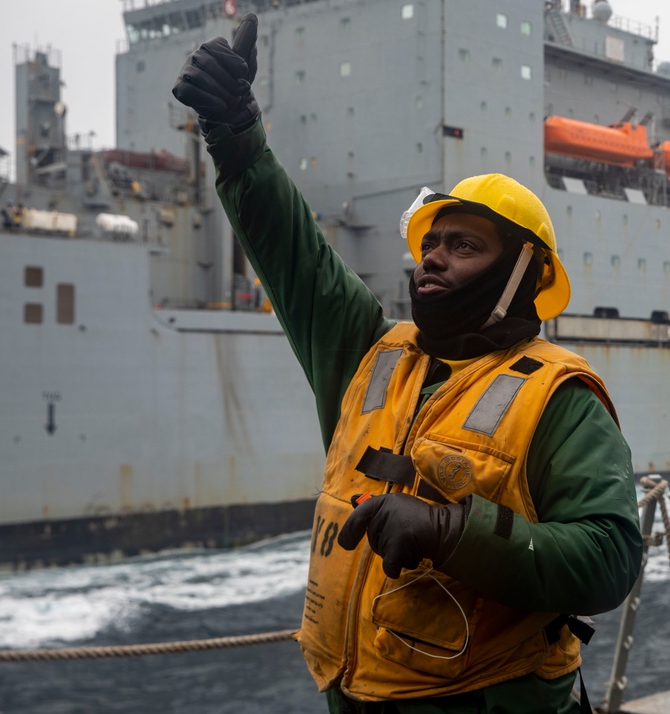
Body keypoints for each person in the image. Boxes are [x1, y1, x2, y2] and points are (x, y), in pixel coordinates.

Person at [173, 14, 642, 713]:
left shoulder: (557, 396)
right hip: (357, 694)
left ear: (521, 272)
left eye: (463, 245)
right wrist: (234, 133)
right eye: (432, 242)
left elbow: (609, 560)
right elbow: (292, 253)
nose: (434, 257)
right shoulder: (370, 351)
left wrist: (453, 532)